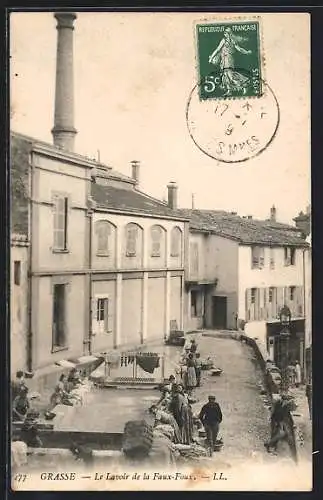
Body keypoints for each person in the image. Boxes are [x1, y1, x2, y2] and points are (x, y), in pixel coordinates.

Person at [208, 26, 252, 97]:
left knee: (230, 75)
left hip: (229, 59)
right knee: (225, 75)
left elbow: (239, 49)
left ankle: (244, 85)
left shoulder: (232, 41)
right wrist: (211, 57)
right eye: (224, 33)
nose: (225, 34)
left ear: (230, 33)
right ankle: (229, 91)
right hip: (223, 59)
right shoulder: (223, 40)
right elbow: (217, 49)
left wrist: (246, 52)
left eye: (226, 33)